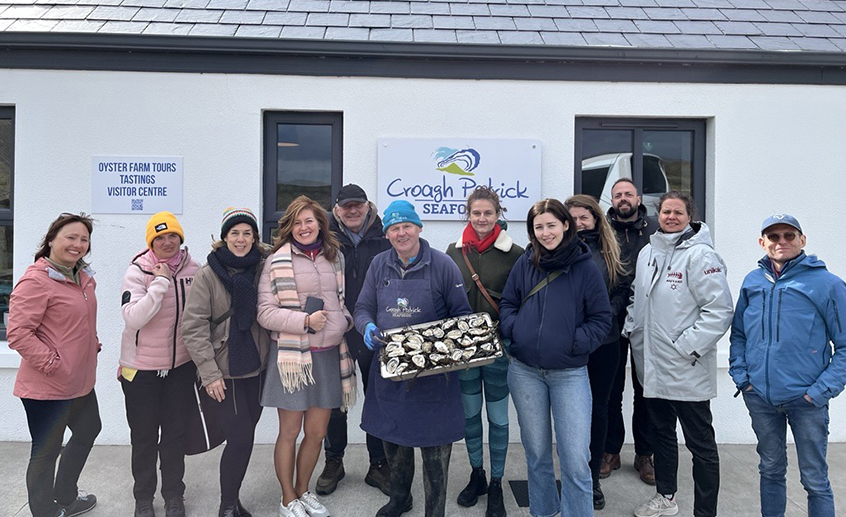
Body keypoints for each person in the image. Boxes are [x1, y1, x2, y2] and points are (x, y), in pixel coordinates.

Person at [354, 200, 472, 517]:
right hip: (390, 370)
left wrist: (435, 345)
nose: (401, 232)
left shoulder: (444, 265)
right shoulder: (379, 264)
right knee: (394, 443)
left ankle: (435, 511)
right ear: (387, 233)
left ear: (419, 228)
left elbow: (463, 317)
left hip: (434, 378)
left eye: (407, 226)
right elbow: (362, 307)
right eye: (394, 227)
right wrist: (367, 327)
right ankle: (399, 499)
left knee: (435, 451)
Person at [499, 198, 612, 517]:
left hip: (569, 374)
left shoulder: (585, 267)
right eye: (539, 227)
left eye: (551, 225)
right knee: (536, 454)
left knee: (576, 458)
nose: (546, 233)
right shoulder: (525, 262)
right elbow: (508, 303)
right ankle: (544, 512)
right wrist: (516, 330)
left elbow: (601, 318)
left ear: (566, 225)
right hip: (525, 372)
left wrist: (575, 343)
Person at [624, 191, 733, 517]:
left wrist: (687, 347)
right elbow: (636, 296)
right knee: (661, 435)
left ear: (690, 216)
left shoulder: (701, 256)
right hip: (652, 364)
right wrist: (631, 329)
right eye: (666, 211)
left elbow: (719, 310)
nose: (670, 217)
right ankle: (666, 498)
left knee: (701, 445)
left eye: (678, 212)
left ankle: (705, 512)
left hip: (685, 365)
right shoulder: (648, 253)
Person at [729, 214, 846, 517]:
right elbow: (739, 333)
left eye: (788, 236)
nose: (781, 242)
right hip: (761, 398)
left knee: (814, 479)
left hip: (806, 401)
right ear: (762, 242)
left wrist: (819, 393)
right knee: (769, 469)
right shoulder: (753, 282)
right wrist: (743, 378)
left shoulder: (827, 284)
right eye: (773, 236)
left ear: (802, 240)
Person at [258, 196, 357, 517]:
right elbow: (265, 313)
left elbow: (339, 302)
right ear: (289, 226)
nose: (304, 227)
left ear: (320, 224)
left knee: (316, 433)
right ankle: (287, 498)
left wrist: (345, 320)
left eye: (309, 221)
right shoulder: (276, 261)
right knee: (289, 432)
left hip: (329, 356)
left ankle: (303, 490)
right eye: (297, 222)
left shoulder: (335, 257)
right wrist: (303, 321)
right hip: (292, 360)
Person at [8, 213, 101, 517]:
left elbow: (75, 323)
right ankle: (45, 511)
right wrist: (53, 362)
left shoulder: (81, 277)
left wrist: (91, 343)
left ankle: (66, 496)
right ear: (51, 240)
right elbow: (19, 333)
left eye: (83, 239)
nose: (77, 244)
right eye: (70, 237)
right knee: (46, 451)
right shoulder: (36, 280)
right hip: (48, 386)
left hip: (80, 381)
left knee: (89, 429)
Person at [182, 207, 271, 517]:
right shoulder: (208, 274)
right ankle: (228, 506)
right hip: (224, 370)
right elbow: (192, 327)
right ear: (224, 237)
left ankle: (232, 500)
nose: (241, 239)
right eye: (234, 233)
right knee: (240, 437)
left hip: (256, 367)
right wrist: (209, 374)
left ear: (255, 237)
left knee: (245, 436)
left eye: (247, 233)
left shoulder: (263, 265)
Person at [445, 186, 522, 517]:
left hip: (498, 349)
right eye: (476, 213)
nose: (481, 219)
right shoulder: (452, 251)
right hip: (464, 351)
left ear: (498, 214)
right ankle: (477, 474)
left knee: (499, 419)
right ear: (468, 214)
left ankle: (497, 483)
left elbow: (521, 300)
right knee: (470, 415)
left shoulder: (515, 253)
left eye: (488, 213)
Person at [119, 212, 200, 517]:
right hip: (140, 370)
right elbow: (134, 317)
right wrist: (160, 282)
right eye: (159, 238)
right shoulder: (138, 271)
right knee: (144, 437)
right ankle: (143, 498)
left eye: (172, 237)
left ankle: (173, 495)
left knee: (175, 435)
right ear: (151, 242)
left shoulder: (195, 268)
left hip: (180, 367)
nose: (167, 242)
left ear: (181, 238)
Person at [318, 184, 392, 497]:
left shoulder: (384, 236)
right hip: (337, 330)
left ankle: (379, 464)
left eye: (357, 206)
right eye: (346, 206)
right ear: (336, 209)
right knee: (336, 401)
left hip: (374, 331)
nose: (352, 211)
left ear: (367, 206)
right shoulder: (325, 239)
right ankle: (334, 461)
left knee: (377, 397)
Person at [565, 194, 629, 511]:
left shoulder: (610, 249)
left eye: (584, 217)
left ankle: (592, 480)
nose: (579, 223)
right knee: (569, 413)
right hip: (569, 344)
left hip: (605, 343)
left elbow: (621, 290)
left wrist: (603, 315)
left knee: (598, 410)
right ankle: (572, 473)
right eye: (573, 217)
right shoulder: (558, 250)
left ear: (595, 219)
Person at [602, 178, 657, 485]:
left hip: (647, 319)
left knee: (645, 389)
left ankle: (645, 453)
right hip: (610, 317)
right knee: (611, 390)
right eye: (617, 195)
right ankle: (611, 450)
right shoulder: (603, 230)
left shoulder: (654, 229)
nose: (623, 199)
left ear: (638, 197)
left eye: (627, 194)